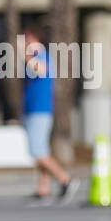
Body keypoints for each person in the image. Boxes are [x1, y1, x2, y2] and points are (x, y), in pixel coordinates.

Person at [21, 23, 78, 203]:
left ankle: (65, 179)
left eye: (27, 38)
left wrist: (25, 55)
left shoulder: (40, 55)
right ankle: (43, 188)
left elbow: (41, 69)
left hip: (40, 111)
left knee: (38, 153)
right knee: (41, 150)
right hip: (34, 110)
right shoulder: (36, 56)